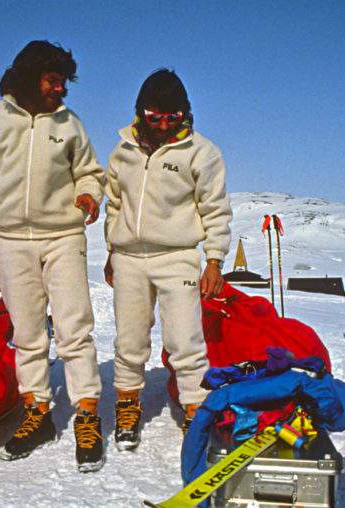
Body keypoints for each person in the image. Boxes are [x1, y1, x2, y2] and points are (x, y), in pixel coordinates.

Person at [0, 40, 105, 472]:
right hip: (10, 238)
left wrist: (89, 194)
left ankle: (87, 414)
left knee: (74, 327)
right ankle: (37, 411)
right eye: (53, 80)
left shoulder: (69, 123)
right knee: (26, 331)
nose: (61, 89)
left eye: (63, 82)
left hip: (63, 235)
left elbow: (90, 172)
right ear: (29, 77)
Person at [103, 69, 232, 451]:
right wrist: (111, 251)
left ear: (184, 113)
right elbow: (115, 204)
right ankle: (128, 404)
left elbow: (215, 209)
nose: (162, 125)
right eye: (154, 116)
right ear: (141, 112)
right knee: (130, 339)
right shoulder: (123, 150)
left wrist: (214, 260)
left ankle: (196, 411)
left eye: (172, 117)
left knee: (184, 339)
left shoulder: (201, 151)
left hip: (177, 257)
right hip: (129, 258)